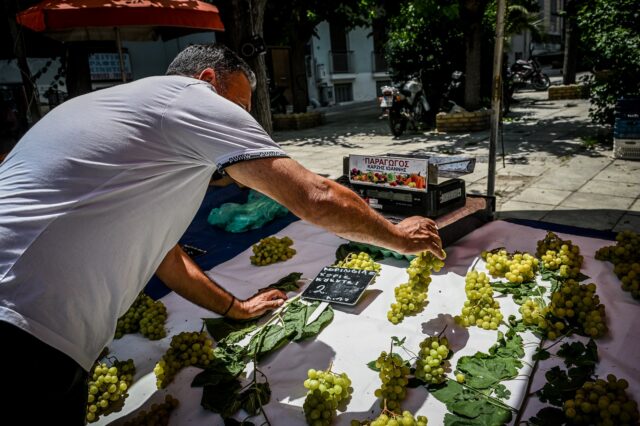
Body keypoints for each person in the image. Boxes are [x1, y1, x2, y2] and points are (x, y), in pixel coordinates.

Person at [0, 44, 442, 423]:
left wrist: (235, 306)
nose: (243, 122)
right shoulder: (187, 97)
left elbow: (164, 256)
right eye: (241, 108)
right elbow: (314, 195)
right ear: (208, 80)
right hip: (24, 327)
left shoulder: (124, 113)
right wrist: (399, 237)